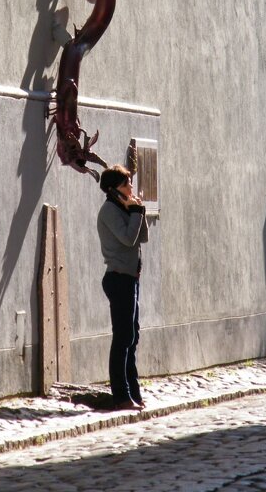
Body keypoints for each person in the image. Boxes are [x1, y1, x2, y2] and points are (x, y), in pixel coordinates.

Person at [97, 164, 149, 410]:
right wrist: (135, 213)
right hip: (118, 278)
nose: (131, 187)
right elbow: (128, 238)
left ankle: (134, 393)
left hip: (131, 278)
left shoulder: (124, 208)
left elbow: (142, 236)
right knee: (123, 337)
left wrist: (139, 209)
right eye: (126, 184)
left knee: (133, 336)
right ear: (113, 190)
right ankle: (121, 395)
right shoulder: (109, 211)